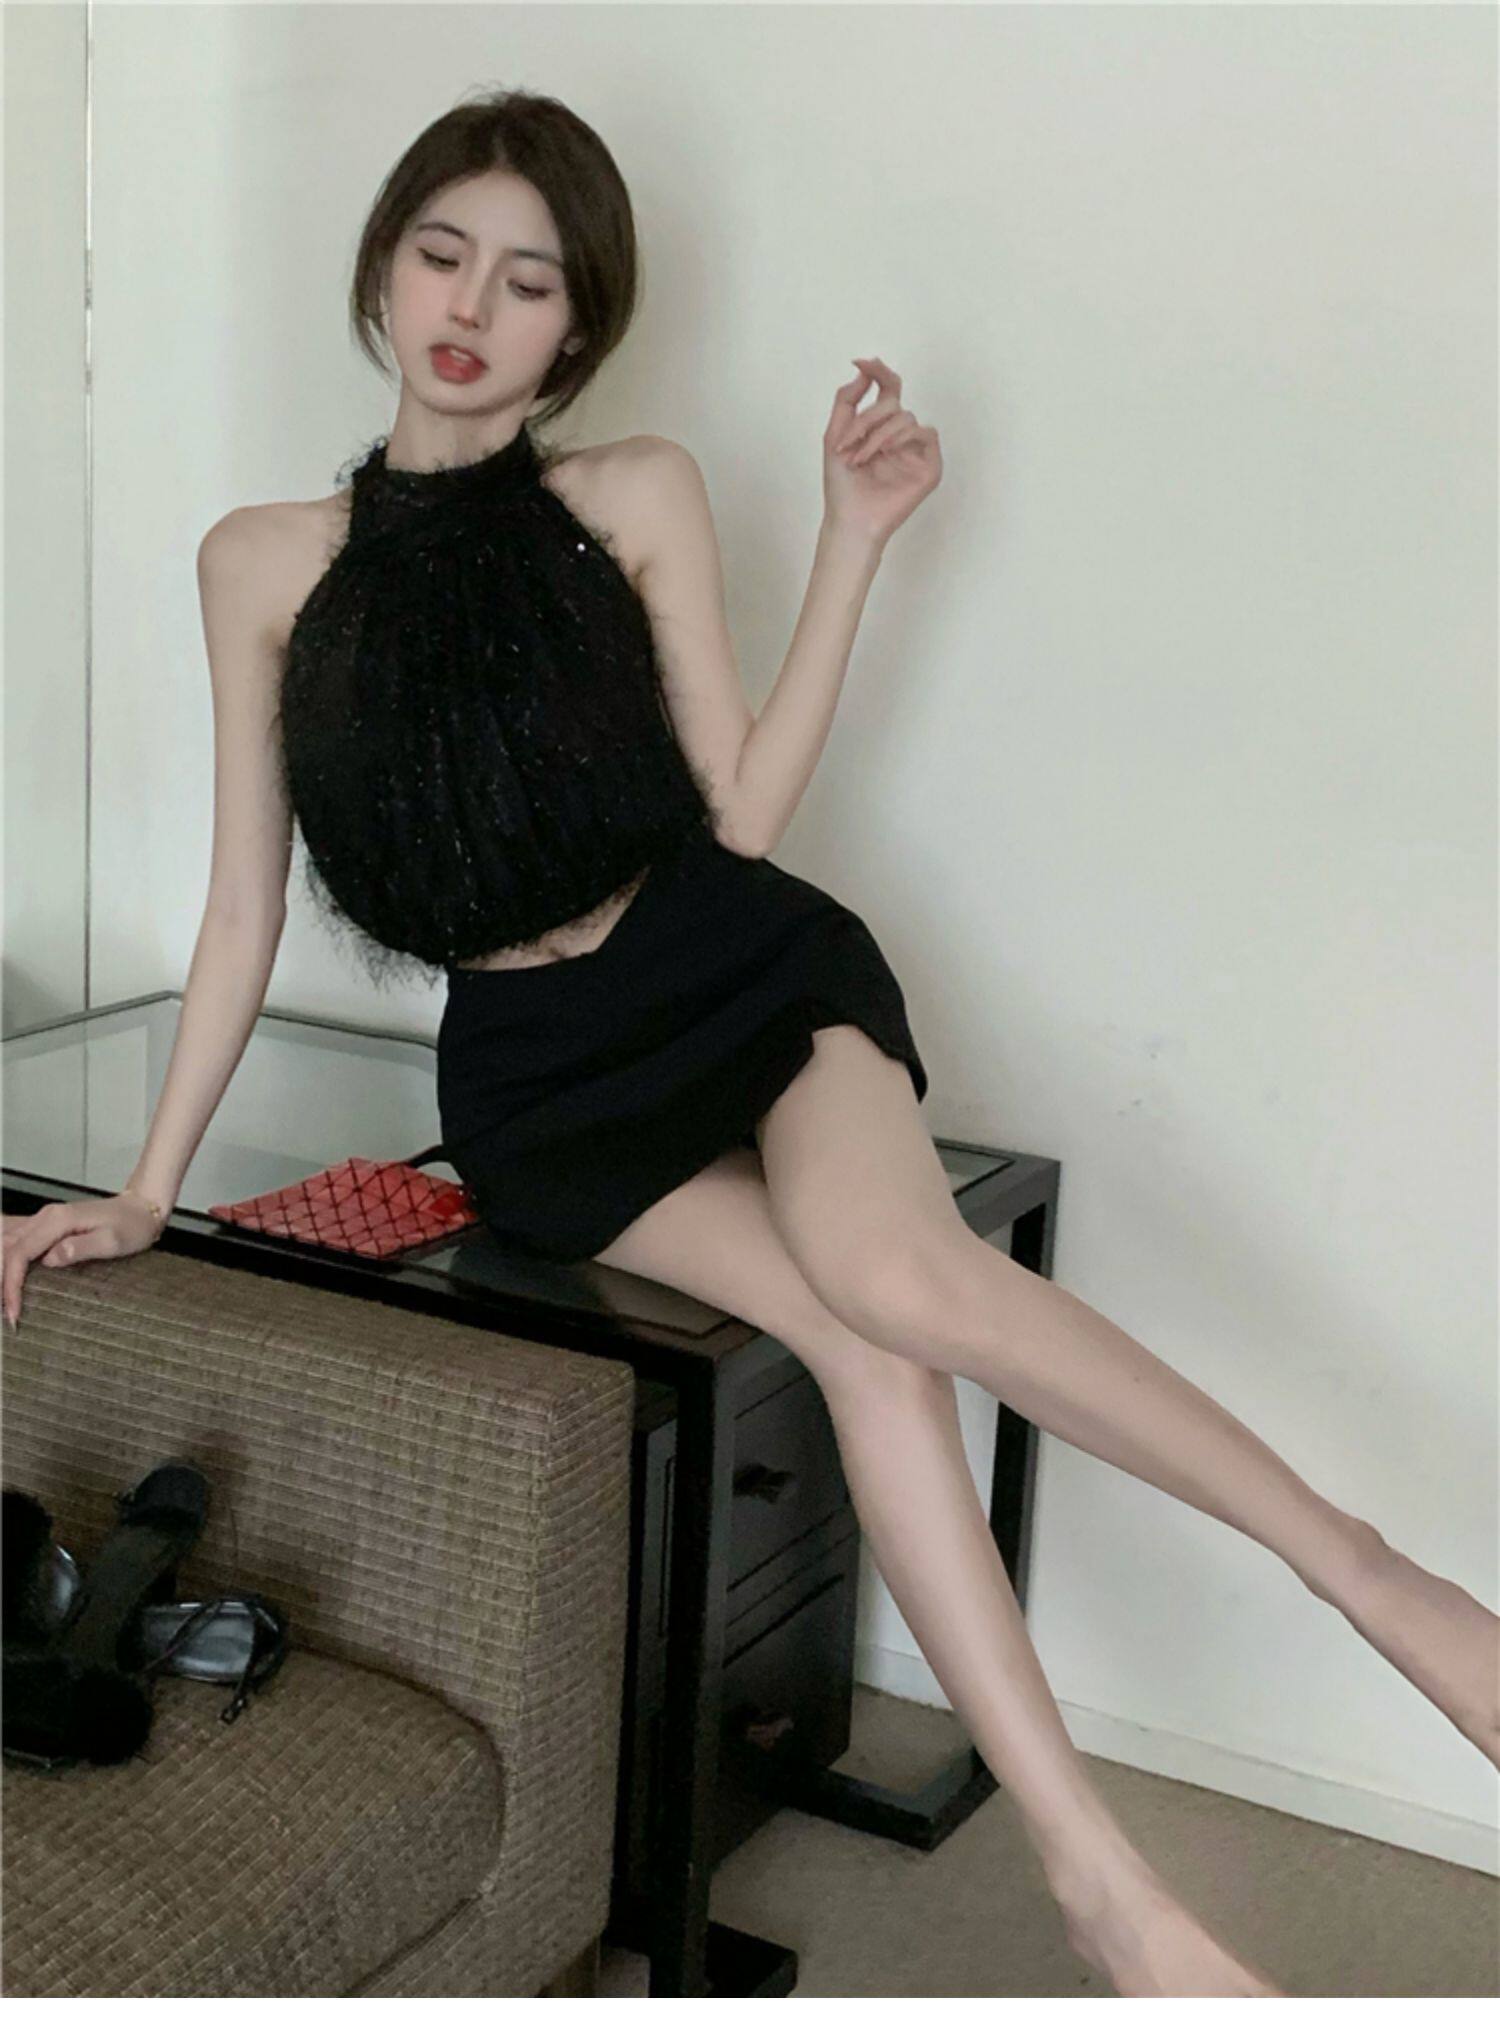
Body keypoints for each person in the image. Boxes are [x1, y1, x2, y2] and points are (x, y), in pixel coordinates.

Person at [4, 86, 1495, 2000]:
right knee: (865, 1349)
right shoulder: (261, 565)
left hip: (738, 971)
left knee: (895, 1276)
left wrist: (854, 540)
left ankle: (1373, 1576)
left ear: (577, 328)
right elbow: (238, 909)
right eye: (444, 254)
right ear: (383, 269)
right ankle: (1103, 1885)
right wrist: (145, 1190)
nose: (473, 305)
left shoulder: (632, 494)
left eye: (528, 280)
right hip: (540, 1080)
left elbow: (737, 817)